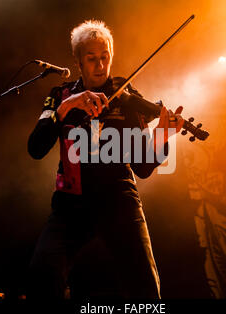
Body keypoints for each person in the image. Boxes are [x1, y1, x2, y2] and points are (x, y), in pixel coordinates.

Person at [26, 20, 184, 299]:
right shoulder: (59, 97)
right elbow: (36, 147)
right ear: (78, 62)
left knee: (146, 287)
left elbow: (143, 166)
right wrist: (66, 107)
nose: (100, 66)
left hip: (119, 199)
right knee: (42, 275)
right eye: (92, 59)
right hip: (70, 204)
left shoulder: (126, 96)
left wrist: (162, 135)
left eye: (105, 58)